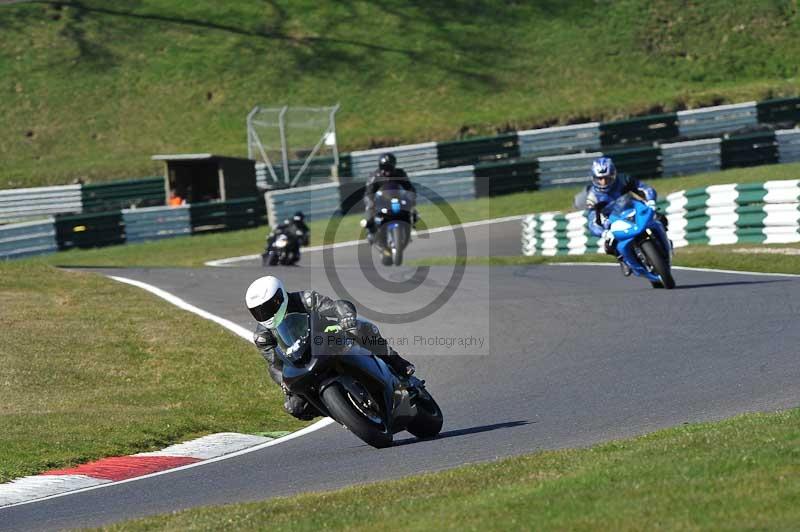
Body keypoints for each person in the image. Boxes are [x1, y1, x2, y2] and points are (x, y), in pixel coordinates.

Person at [245, 276, 416, 420]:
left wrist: (345, 316)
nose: (264, 315)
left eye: (267, 308)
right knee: (295, 406)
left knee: (360, 329)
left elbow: (334, 307)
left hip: (329, 340)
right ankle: (341, 412)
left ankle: (396, 362)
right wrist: (283, 382)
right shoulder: (263, 337)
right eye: (258, 312)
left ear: (279, 298)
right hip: (302, 361)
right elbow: (274, 363)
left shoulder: (305, 299)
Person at [584, 157, 668, 276]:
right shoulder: (592, 196)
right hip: (612, 219)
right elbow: (592, 220)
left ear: (613, 174)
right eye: (600, 179)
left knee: (660, 218)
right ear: (593, 178)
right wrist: (603, 232)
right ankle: (622, 259)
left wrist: (650, 201)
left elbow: (645, 188)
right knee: (609, 244)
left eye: (607, 178)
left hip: (633, 208)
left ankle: (665, 242)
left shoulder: (624, 179)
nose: (603, 182)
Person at [362, 153, 418, 244]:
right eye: (384, 168)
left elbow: (409, 187)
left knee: (412, 209)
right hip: (381, 200)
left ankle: (410, 224)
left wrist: (411, 196)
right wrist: (370, 201)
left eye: (389, 168)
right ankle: (371, 230)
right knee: (370, 207)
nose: (387, 171)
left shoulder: (400, 174)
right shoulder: (375, 176)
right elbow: (369, 191)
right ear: (380, 167)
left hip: (396, 198)